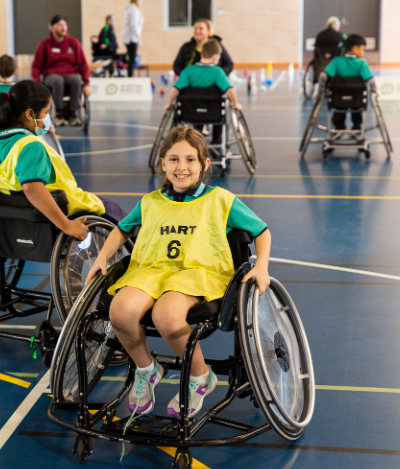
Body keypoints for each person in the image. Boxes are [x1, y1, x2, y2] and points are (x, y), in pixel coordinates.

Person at [86, 127, 271, 418]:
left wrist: (261, 266)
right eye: (173, 159)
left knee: (167, 316)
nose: (181, 167)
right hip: (151, 270)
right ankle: (147, 370)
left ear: (204, 164)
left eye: (190, 160)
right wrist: (102, 257)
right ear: (162, 163)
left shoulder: (220, 200)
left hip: (198, 273)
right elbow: (121, 229)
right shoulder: (151, 202)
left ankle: (201, 377)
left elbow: (261, 231)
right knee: (120, 311)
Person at [0, 80, 125, 242]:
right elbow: (32, 188)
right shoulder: (30, 145)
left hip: (9, 216)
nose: (47, 118)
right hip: (50, 212)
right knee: (115, 212)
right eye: (45, 112)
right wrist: (66, 225)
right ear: (30, 114)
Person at [165, 40, 241, 146]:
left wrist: (169, 103)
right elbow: (230, 90)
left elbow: (175, 89)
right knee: (220, 110)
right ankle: (216, 140)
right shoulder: (217, 71)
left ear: (202, 54)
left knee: (196, 109)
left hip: (191, 113)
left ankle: (197, 138)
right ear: (215, 57)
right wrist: (235, 104)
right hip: (214, 113)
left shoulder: (188, 70)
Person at [31, 15, 91, 126]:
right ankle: (59, 113)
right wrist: (37, 84)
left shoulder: (74, 43)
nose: (63, 28)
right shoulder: (44, 45)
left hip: (70, 75)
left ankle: (73, 113)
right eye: (60, 25)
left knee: (75, 79)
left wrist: (86, 84)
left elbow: (83, 65)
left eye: (65, 25)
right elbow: (36, 66)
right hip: (51, 77)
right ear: (52, 27)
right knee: (57, 80)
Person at [321, 34, 374, 131]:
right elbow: (370, 80)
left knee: (338, 109)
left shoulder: (336, 61)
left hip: (338, 100)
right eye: (362, 49)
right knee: (358, 110)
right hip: (357, 101)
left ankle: (339, 129)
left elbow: (323, 76)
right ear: (355, 48)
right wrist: (375, 91)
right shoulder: (362, 63)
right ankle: (357, 129)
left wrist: (320, 92)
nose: (363, 53)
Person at [121, 0, 144, 78]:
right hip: (131, 38)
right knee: (132, 59)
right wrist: (139, 38)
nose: (142, 0)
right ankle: (130, 77)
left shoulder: (131, 8)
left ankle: (129, 75)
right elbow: (133, 24)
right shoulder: (133, 9)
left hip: (130, 37)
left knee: (131, 58)